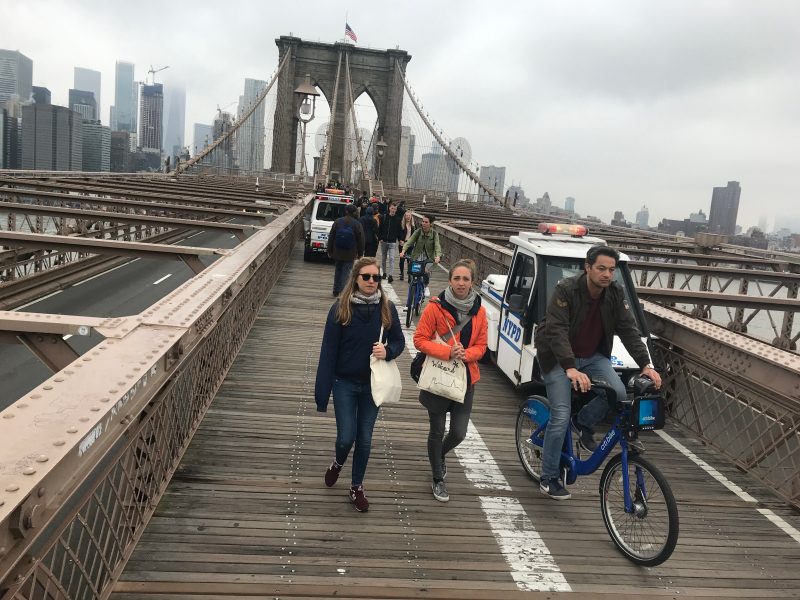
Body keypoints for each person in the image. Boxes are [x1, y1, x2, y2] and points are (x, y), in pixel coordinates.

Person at [534, 245, 662, 500]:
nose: (607, 274)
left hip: (593, 356)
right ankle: (548, 477)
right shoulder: (566, 289)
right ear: (588, 267)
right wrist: (570, 367)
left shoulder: (615, 292)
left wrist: (646, 364)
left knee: (617, 392)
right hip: (558, 358)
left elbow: (628, 330)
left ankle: (583, 423)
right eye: (601, 268)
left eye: (612, 270)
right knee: (560, 415)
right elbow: (557, 330)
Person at [315, 258, 405, 512]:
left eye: (376, 278)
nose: (371, 282)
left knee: (364, 438)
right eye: (366, 277)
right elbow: (328, 353)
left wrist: (387, 351)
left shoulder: (387, 309)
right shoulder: (340, 309)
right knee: (346, 438)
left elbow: (398, 341)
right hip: (343, 382)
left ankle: (356, 487)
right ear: (355, 278)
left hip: (372, 385)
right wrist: (322, 395)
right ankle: (337, 462)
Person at [413, 259, 487, 502]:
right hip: (438, 374)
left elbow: (481, 345)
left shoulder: (480, 310)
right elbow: (420, 340)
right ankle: (437, 478)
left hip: (465, 378)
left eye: (466, 279)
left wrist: (469, 354)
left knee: (458, 433)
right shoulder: (435, 307)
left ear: (472, 282)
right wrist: (447, 352)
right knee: (437, 430)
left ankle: (439, 455)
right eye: (457, 278)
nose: (461, 283)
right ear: (450, 280)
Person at [399, 214, 442, 297]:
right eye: (423, 221)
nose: (424, 223)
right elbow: (410, 241)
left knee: (426, 271)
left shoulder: (434, 234)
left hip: (428, 259)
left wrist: (438, 256)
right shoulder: (418, 232)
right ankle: (410, 298)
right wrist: (403, 251)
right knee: (412, 275)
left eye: (426, 222)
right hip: (417, 257)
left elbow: (437, 246)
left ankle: (426, 286)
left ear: (431, 224)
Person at [328, 203, 365, 296]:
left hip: (337, 251)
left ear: (346, 212)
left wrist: (329, 250)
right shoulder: (357, 224)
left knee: (338, 270)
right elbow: (360, 240)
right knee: (346, 272)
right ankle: (343, 291)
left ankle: (335, 290)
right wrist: (360, 253)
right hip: (350, 253)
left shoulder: (337, 221)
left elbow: (331, 237)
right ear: (354, 213)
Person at [377, 203, 403, 283]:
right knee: (384, 258)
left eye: (395, 209)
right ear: (389, 208)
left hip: (392, 242)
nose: (393, 210)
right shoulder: (384, 217)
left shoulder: (398, 219)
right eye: (392, 208)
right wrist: (380, 238)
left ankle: (390, 275)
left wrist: (401, 239)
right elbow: (380, 228)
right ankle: (384, 273)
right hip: (384, 241)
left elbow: (399, 231)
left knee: (392, 258)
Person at [398, 210, 415, 281]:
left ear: (411, 217)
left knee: (409, 260)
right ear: (404, 217)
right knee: (402, 259)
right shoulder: (401, 224)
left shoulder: (413, 225)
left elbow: (414, 235)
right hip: (402, 244)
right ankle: (402, 273)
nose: (408, 217)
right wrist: (400, 240)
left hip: (410, 244)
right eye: (406, 216)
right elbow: (398, 233)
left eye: (409, 216)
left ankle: (409, 275)